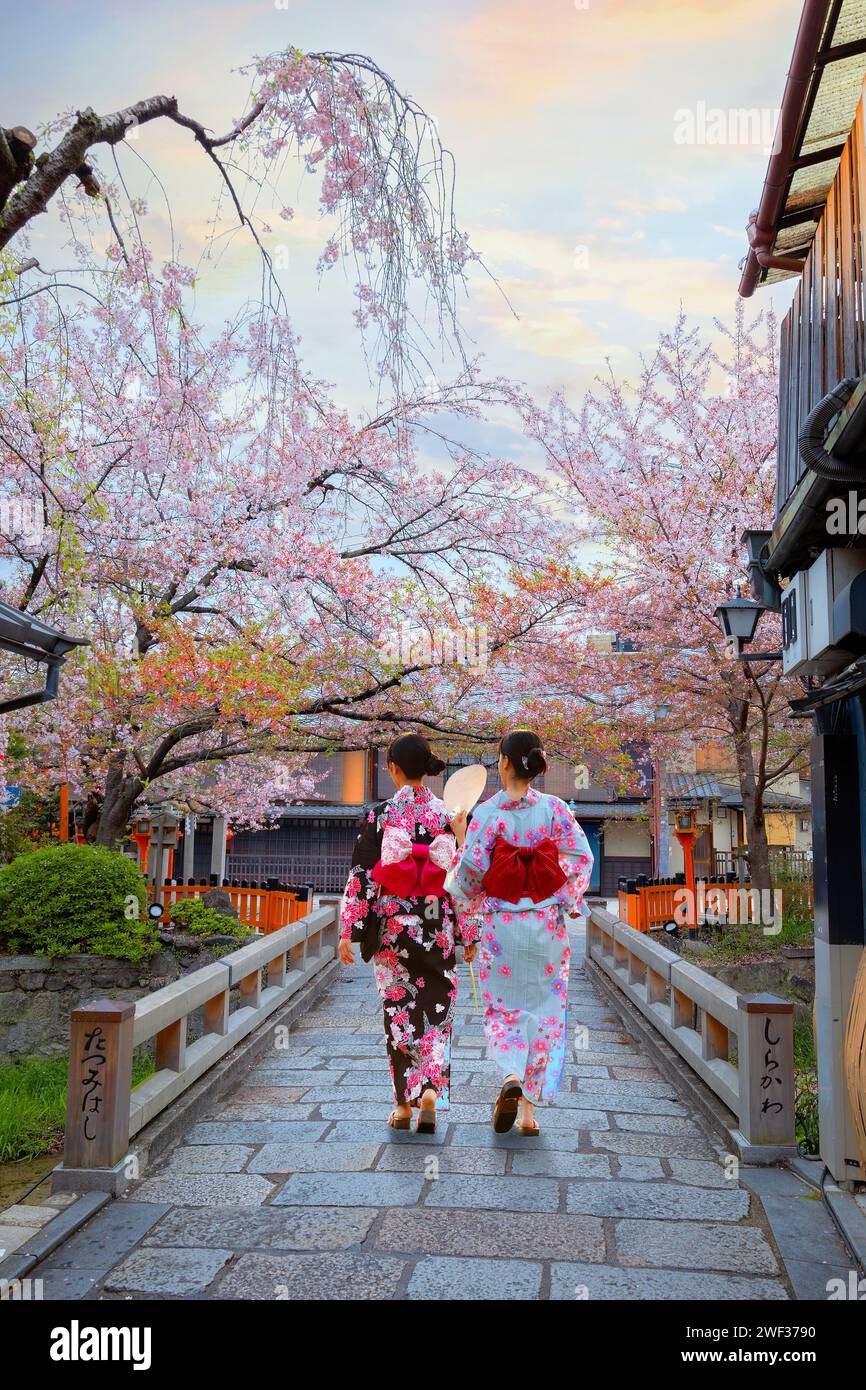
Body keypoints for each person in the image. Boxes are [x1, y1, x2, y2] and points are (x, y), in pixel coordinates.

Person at [447, 729, 593, 1136]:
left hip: (502, 929)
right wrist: (565, 899)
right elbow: (582, 856)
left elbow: (471, 875)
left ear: (505, 763)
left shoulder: (489, 814)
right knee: (546, 1013)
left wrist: (466, 917)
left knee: (504, 1010)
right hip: (546, 928)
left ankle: (510, 1074)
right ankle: (528, 1115)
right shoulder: (555, 809)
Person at [339, 733, 478, 1133]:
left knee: (399, 1009)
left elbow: (362, 877)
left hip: (394, 925)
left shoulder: (380, 815)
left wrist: (350, 929)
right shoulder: (448, 816)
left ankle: (403, 1104)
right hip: (437, 922)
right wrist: (468, 933)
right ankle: (431, 1089)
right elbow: (462, 876)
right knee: (437, 1007)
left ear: (394, 769)